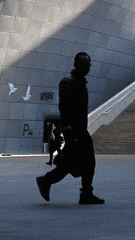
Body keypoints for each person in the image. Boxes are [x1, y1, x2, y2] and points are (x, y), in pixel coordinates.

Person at [36, 52, 104, 204]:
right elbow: (64, 107)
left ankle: (85, 192)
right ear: (75, 64)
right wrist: (67, 127)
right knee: (70, 163)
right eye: (82, 63)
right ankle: (46, 180)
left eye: (88, 64)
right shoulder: (68, 82)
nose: (85, 67)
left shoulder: (81, 83)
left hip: (81, 129)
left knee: (84, 161)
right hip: (73, 130)